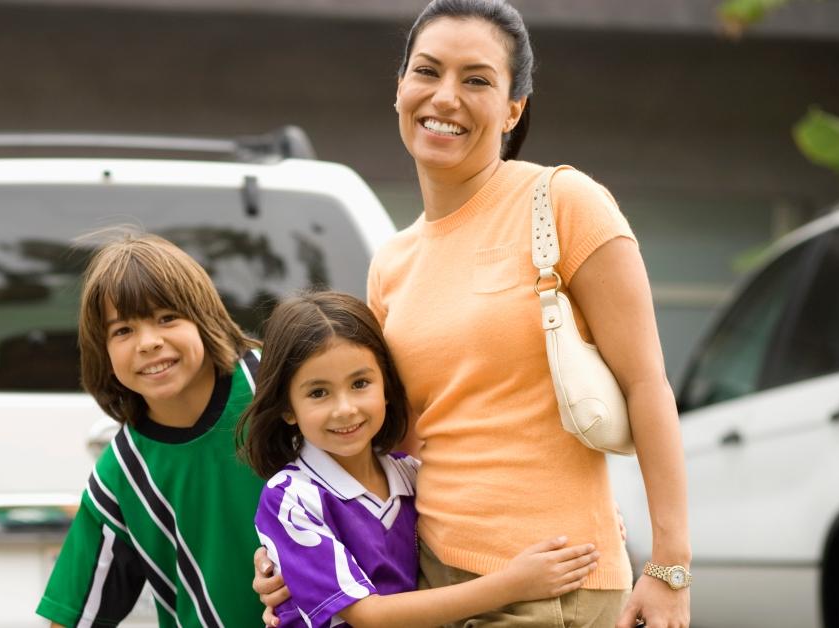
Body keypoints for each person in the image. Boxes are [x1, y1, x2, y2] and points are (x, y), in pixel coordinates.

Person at [255, 1, 691, 627]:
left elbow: (648, 384)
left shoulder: (564, 203)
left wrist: (670, 565)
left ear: (514, 108)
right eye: (427, 72)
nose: (445, 97)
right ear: (400, 89)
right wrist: (299, 554)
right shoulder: (393, 260)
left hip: (551, 582)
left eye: (477, 79)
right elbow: (391, 440)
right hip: (427, 576)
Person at [239, 291, 601, 628]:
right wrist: (512, 585)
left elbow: (496, 512)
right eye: (319, 392)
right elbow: (369, 615)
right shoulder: (291, 497)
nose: (345, 409)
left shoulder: (413, 476)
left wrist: (582, 514)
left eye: (360, 383)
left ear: (386, 387)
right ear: (287, 408)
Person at [37, 233, 266, 627]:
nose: (148, 343)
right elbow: (71, 616)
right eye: (123, 330)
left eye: (166, 318)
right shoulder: (122, 474)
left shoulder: (274, 387)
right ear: (103, 351)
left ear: (203, 317)